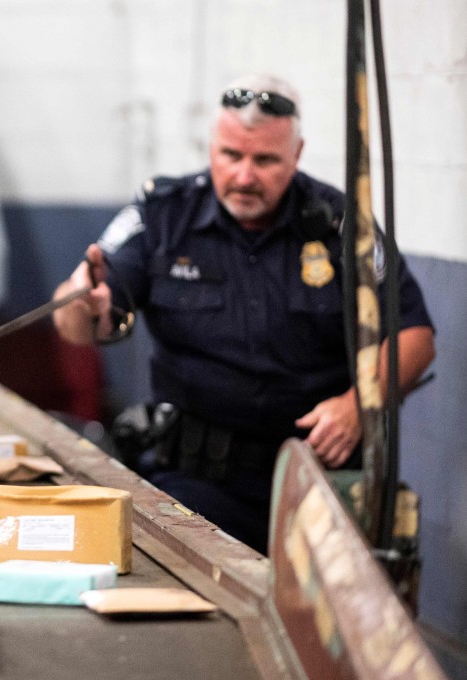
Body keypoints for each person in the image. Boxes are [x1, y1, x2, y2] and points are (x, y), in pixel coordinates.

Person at [51, 74, 435, 554]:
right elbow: (81, 322)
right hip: (194, 484)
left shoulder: (342, 225)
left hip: (316, 483)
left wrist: (361, 403)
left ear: (296, 156)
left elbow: (415, 335)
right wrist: (82, 303)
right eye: (231, 156)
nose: (244, 176)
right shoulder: (165, 214)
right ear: (211, 148)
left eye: (265, 160)